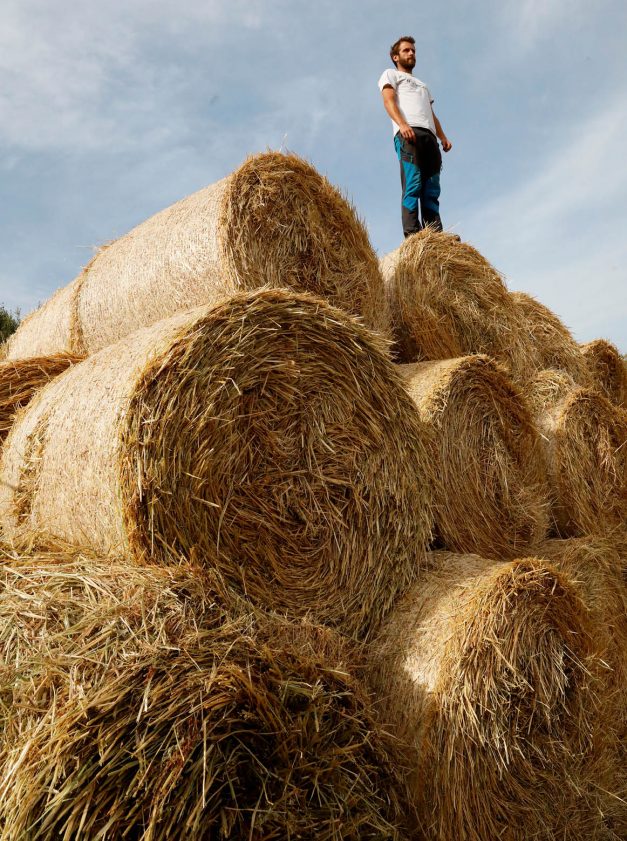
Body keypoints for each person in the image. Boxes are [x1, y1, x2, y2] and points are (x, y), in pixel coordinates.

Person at [378, 36, 452, 238]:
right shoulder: (390, 74)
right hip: (409, 134)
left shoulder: (423, 85)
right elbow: (388, 101)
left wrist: (442, 136)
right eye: (406, 50)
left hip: (430, 138)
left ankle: (435, 237)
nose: (411, 53)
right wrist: (402, 124)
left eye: (413, 51)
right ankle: (413, 235)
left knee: (431, 191)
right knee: (413, 184)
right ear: (395, 56)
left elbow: (431, 113)